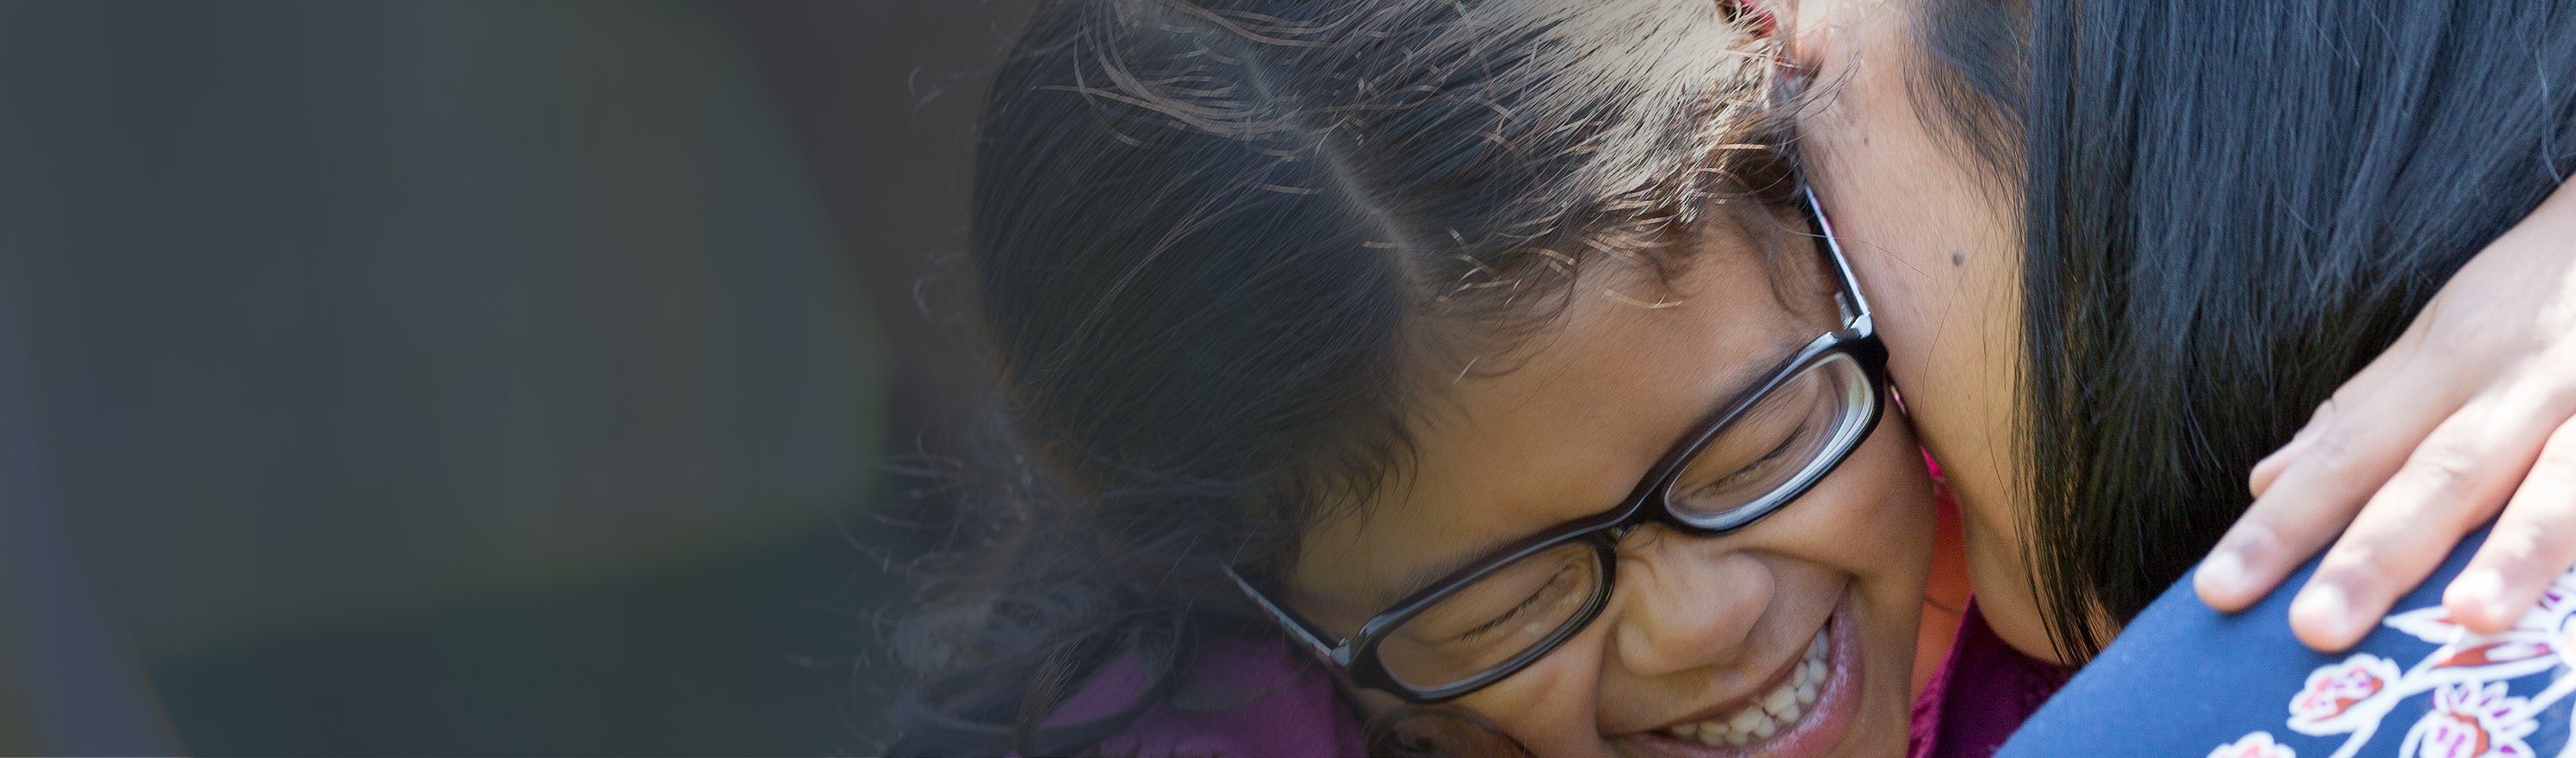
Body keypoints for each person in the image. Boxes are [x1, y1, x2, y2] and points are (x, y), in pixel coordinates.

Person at [886, 0, 1944, 754]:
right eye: (1512, 604)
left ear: (1826, 239)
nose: (1707, 619)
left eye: (1764, 447)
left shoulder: (2035, 442)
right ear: (1271, 615)